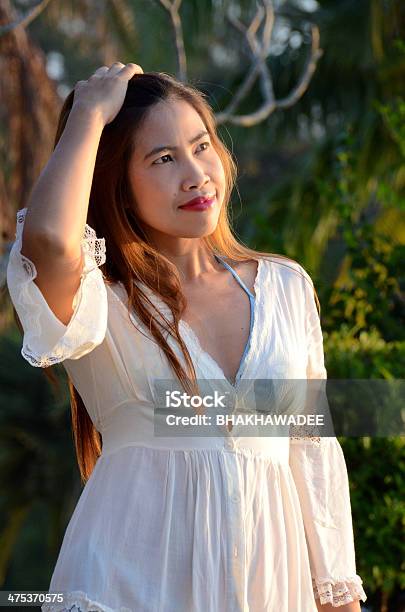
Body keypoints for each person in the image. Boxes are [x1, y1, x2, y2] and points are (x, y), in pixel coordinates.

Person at [6, 62, 367, 612]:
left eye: (201, 147)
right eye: (163, 159)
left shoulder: (285, 288)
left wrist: (337, 598)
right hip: (128, 583)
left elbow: (311, 451)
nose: (196, 174)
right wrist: (88, 114)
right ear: (116, 181)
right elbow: (51, 239)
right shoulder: (99, 297)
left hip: (269, 586)